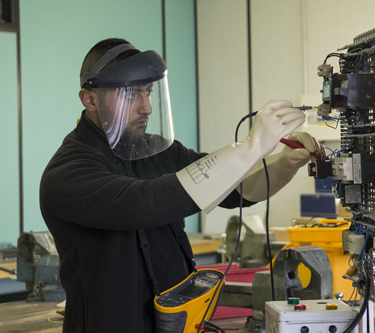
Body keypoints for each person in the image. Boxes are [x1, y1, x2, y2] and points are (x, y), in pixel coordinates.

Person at [40, 38, 320, 333]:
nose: (146, 107)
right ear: (90, 99)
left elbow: (235, 189)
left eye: (147, 92)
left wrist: (284, 164)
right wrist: (250, 147)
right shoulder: (67, 172)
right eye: (131, 94)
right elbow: (143, 203)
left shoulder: (156, 150)